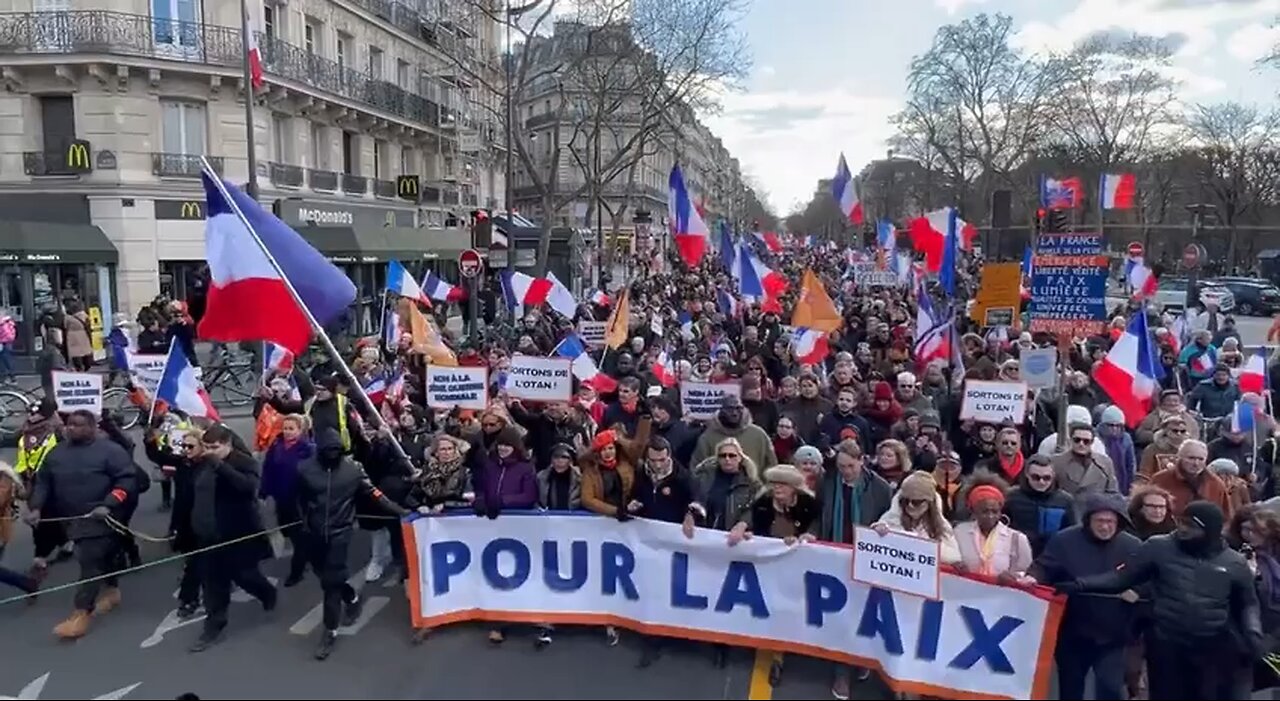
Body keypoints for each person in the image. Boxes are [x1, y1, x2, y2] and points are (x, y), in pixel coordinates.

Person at [1058, 501, 1263, 699]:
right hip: (1166, 643)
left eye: (1191, 526)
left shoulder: (1233, 562)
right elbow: (1122, 578)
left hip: (1211, 647)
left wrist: (1253, 633)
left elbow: (1248, 602)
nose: (1182, 529)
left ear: (1210, 530)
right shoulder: (1159, 547)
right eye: (1181, 522)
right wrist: (1081, 584)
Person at [295, 427, 408, 659]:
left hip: (340, 532)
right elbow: (299, 500)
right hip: (313, 534)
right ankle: (352, 598)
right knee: (327, 577)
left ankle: (330, 631)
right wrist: (302, 524)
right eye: (329, 450)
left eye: (337, 450)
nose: (333, 454)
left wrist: (401, 512)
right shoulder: (305, 469)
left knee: (330, 584)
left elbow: (375, 495)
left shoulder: (353, 469)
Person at [25, 409, 136, 639]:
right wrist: (35, 508)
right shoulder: (56, 453)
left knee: (89, 561)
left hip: (101, 516)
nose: (71, 428)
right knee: (102, 558)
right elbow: (43, 482)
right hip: (69, 519)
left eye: (77, 425)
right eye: (69, 425)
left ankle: (81, 612)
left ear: (93, 427)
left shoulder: (110, 451)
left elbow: (127, 480)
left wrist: (110, 502)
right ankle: (112, 590)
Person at [1029, 494, 1142, 700]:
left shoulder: (1132, 545)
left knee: (1110, 687)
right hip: (1072, 630)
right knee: (1071, 689)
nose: (1105, 527)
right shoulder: (1064, 540)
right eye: (1100, 521)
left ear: (1119, 523)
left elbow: (1148, 577)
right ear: (1088, 520)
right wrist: (1031, 578)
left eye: (1110, 522)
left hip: (1113, 633)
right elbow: (1043, 567)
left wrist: (1138, 591)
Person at [187, 424, 278, 652]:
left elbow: (248, 488)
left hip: (238, 535)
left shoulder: (244, 463)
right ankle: (213, 626)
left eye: (214, 447)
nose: (209, 451)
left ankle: (266, 592)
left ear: (227, 445)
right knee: (213, 585)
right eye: (206, 446)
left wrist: (220, 466)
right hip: (209, 535)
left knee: (245, 576)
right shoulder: (202, 465)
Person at [259, 414, 314, 587]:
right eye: (285, 428)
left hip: (299, 500)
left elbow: (313, 475)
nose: (287, 432)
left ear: (301, 430)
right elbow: (268, 469)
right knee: (287, 531)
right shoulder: (277, 445)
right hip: (281, 498)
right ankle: (307, 554)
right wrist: (264, 490)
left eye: (291, 429)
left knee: (300, 537)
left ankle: (296, 572)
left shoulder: (308, 449)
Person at [953, 474, 1033, 581]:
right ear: (973, 511)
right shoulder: (959, 532)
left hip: (1001, 595)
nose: (990, 516)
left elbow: (1026, 573)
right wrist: (955, 566)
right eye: (984, 511)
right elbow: (951, 561)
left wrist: (1014, 577)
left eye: (995, 511)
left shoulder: (1016, 538)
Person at [1149, 439, 1233, 520]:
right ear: (1179, 457)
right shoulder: (1160, 479)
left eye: (1201, 459)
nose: (1196, 463)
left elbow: (1226, 517)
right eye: (1191, 458)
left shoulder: (1215, 484)